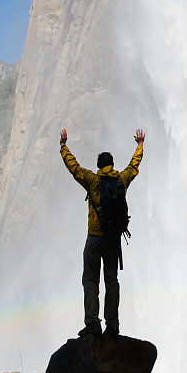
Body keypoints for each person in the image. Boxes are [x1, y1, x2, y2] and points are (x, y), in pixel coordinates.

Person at [59, 126, 145, 337]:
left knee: (90, 280)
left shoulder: (93, 180)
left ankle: (92, 324)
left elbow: (75, 168)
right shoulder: (121, 180)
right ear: (112, 165)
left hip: (95, 238)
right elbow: (133, 167)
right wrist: (140, 146)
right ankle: (112, 324)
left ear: (98, 166)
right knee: (112, 281)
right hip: (114, 240)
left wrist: (63, 147)